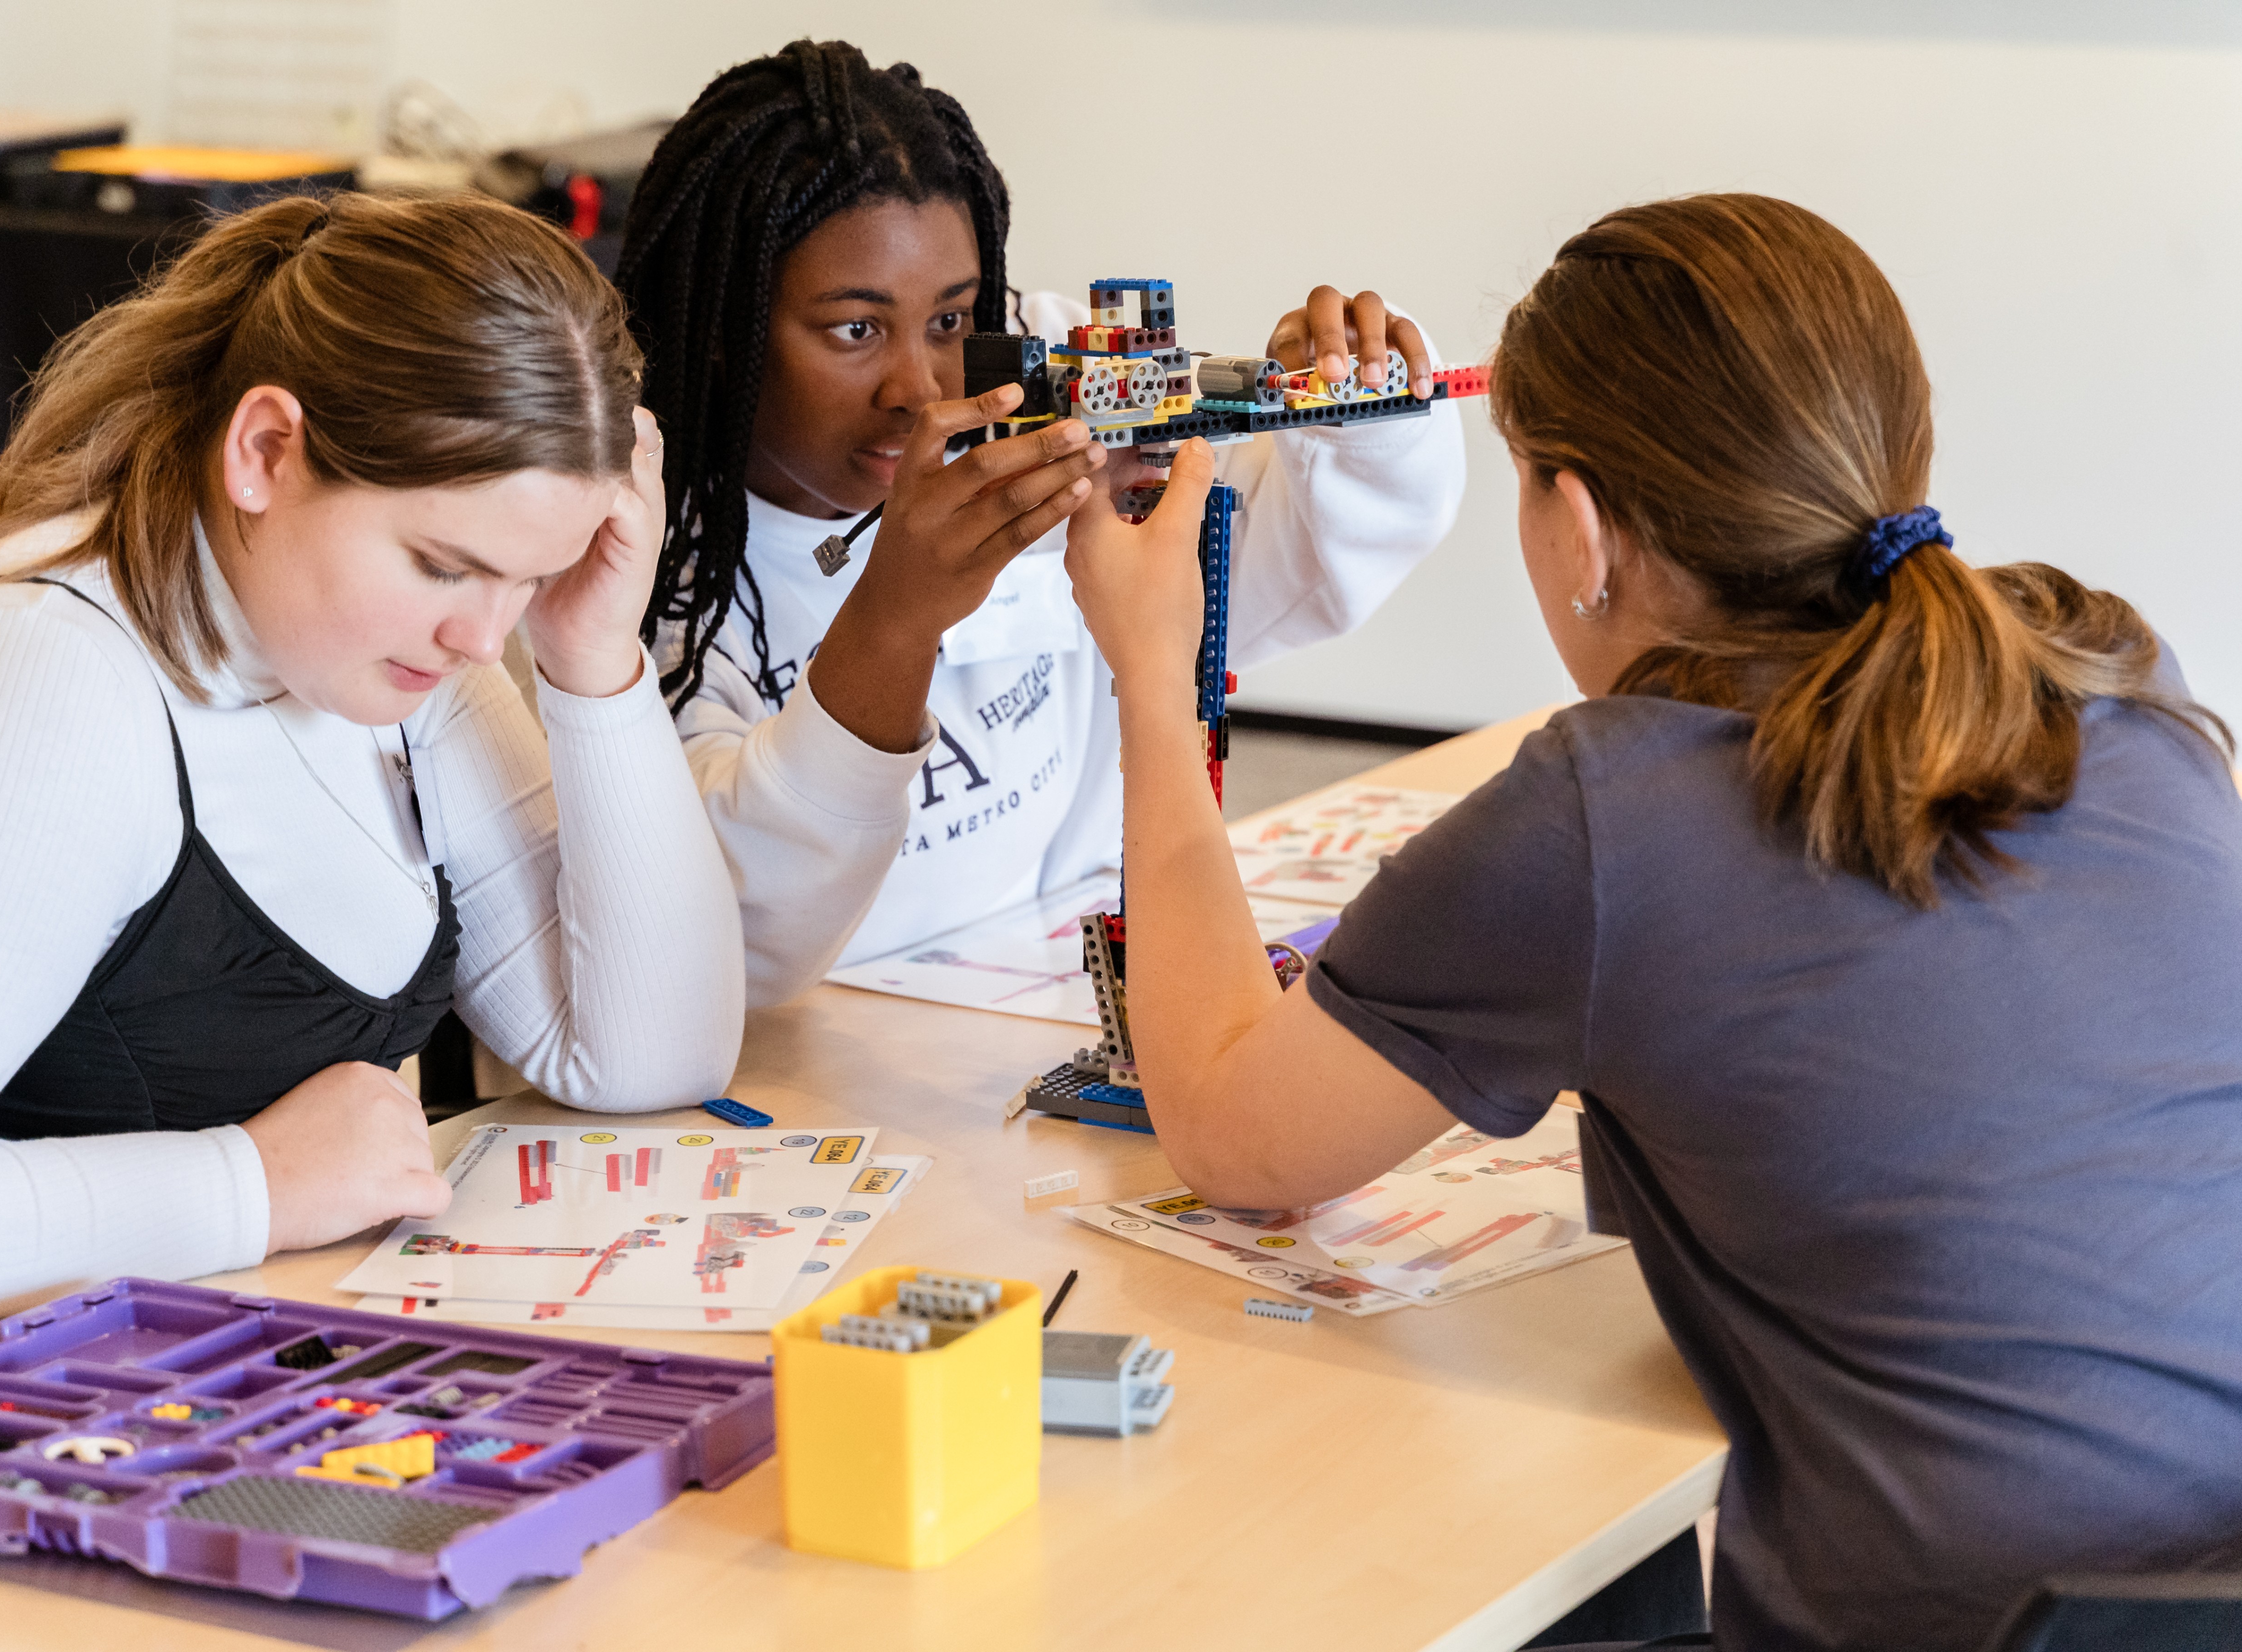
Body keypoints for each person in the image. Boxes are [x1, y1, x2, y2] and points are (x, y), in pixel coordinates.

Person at [1065, 193, 2242, 1652]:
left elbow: (1238, 1142)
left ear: (1579, 528)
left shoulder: (1605, 811)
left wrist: (1153, 673)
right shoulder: (2115, 675)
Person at [0, 193, 743, 1354]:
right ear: (265, 451)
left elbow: (649, 1056)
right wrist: (251, 1186)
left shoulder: (382, 657)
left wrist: (592, 662)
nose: (487, 637)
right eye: (443, 563)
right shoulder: (32, 686)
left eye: (527, 580)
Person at [612, 39, 1465, 1003]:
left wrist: (1344, 406)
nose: (920, 390)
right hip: (813, 1044)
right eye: (854, 330)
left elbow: (1279, 573)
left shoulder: (1039, 393)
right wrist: (895, 620)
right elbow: (728, 926)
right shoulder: (633, 558)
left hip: (1048, 988)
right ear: (719, 336)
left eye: (949, 320)